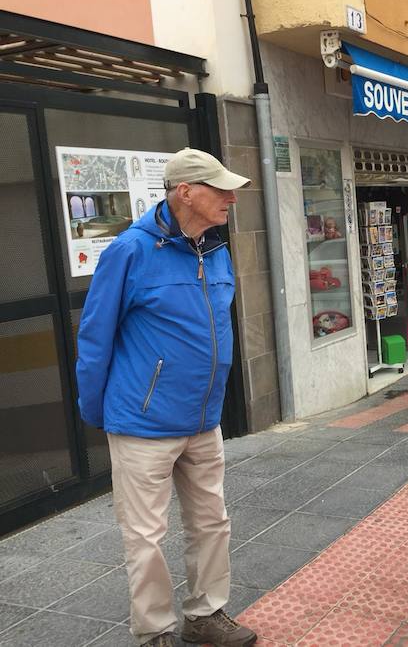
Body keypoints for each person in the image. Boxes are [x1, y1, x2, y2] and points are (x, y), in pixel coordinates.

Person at [76, 148, 257, 647]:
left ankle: (206, 615)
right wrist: (99, 411)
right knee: (145, 536)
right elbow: (94, 336)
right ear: (186, 192)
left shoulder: (215, 249)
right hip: (142, 422)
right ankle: (154, 630)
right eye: (221, 189)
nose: (231, 198)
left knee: (212, 522)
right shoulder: (130, 251)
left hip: (203, 419)